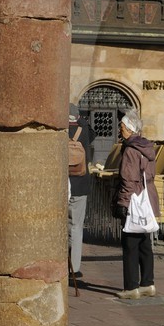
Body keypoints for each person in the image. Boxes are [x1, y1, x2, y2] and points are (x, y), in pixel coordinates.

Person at [116, 112, 159, 299]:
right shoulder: (147, 147)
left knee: (130, 244)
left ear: (130, 129)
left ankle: (131, 287)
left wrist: (123, 202)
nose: (120, 130)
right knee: (144, 243)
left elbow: (128, 178)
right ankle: (148, 283)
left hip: (134, 198)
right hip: (148, 197)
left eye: (123, 127)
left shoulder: (130, 149)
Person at [67, 104, 92, 293]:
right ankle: (74, 267)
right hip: (80, 184)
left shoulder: (59, 131)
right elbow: (93, 132)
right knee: (76, 227)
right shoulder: (84, 132)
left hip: (62, 184)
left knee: (61, 226)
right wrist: (81, 118)